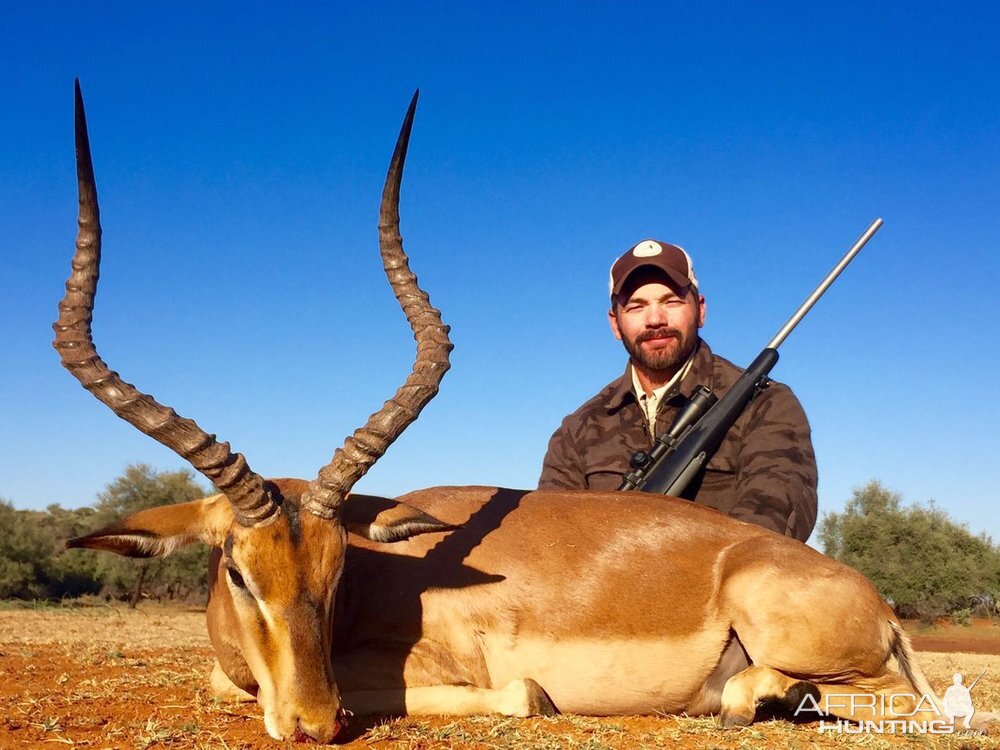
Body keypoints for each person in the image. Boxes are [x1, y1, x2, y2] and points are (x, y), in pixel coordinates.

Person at [538, 239, 818, 542]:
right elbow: (551, 543)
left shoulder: (765, 404)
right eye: (636, 306)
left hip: (721, 587)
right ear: (615, 324)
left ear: (700, 310)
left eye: (671, 301)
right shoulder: (577, 432)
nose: (656, 319)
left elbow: (769, 529)